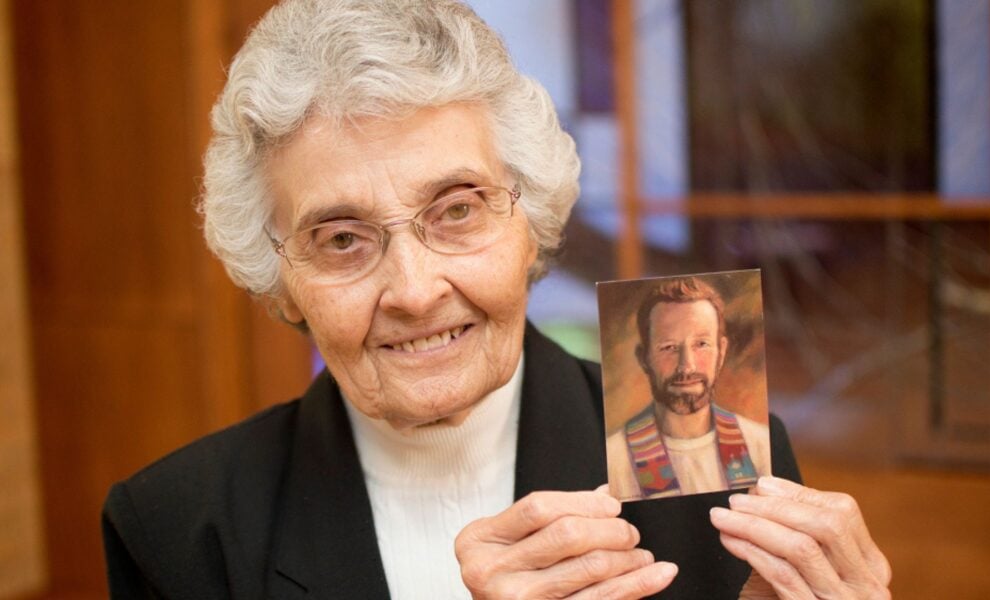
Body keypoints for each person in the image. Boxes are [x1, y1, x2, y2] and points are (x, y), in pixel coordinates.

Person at [101, 1, 891, 598]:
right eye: (341, 240)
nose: (414, 292)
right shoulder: (176, 527)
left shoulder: (715, 467)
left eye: (456, 211)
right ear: (281, 283)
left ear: (532, 224)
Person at [607, 277, 771, 501]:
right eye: (669, 347)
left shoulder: (761, 447)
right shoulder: (614, 461)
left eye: (701, 344)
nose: (687, 366)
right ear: (643, 357)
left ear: (721, 352)